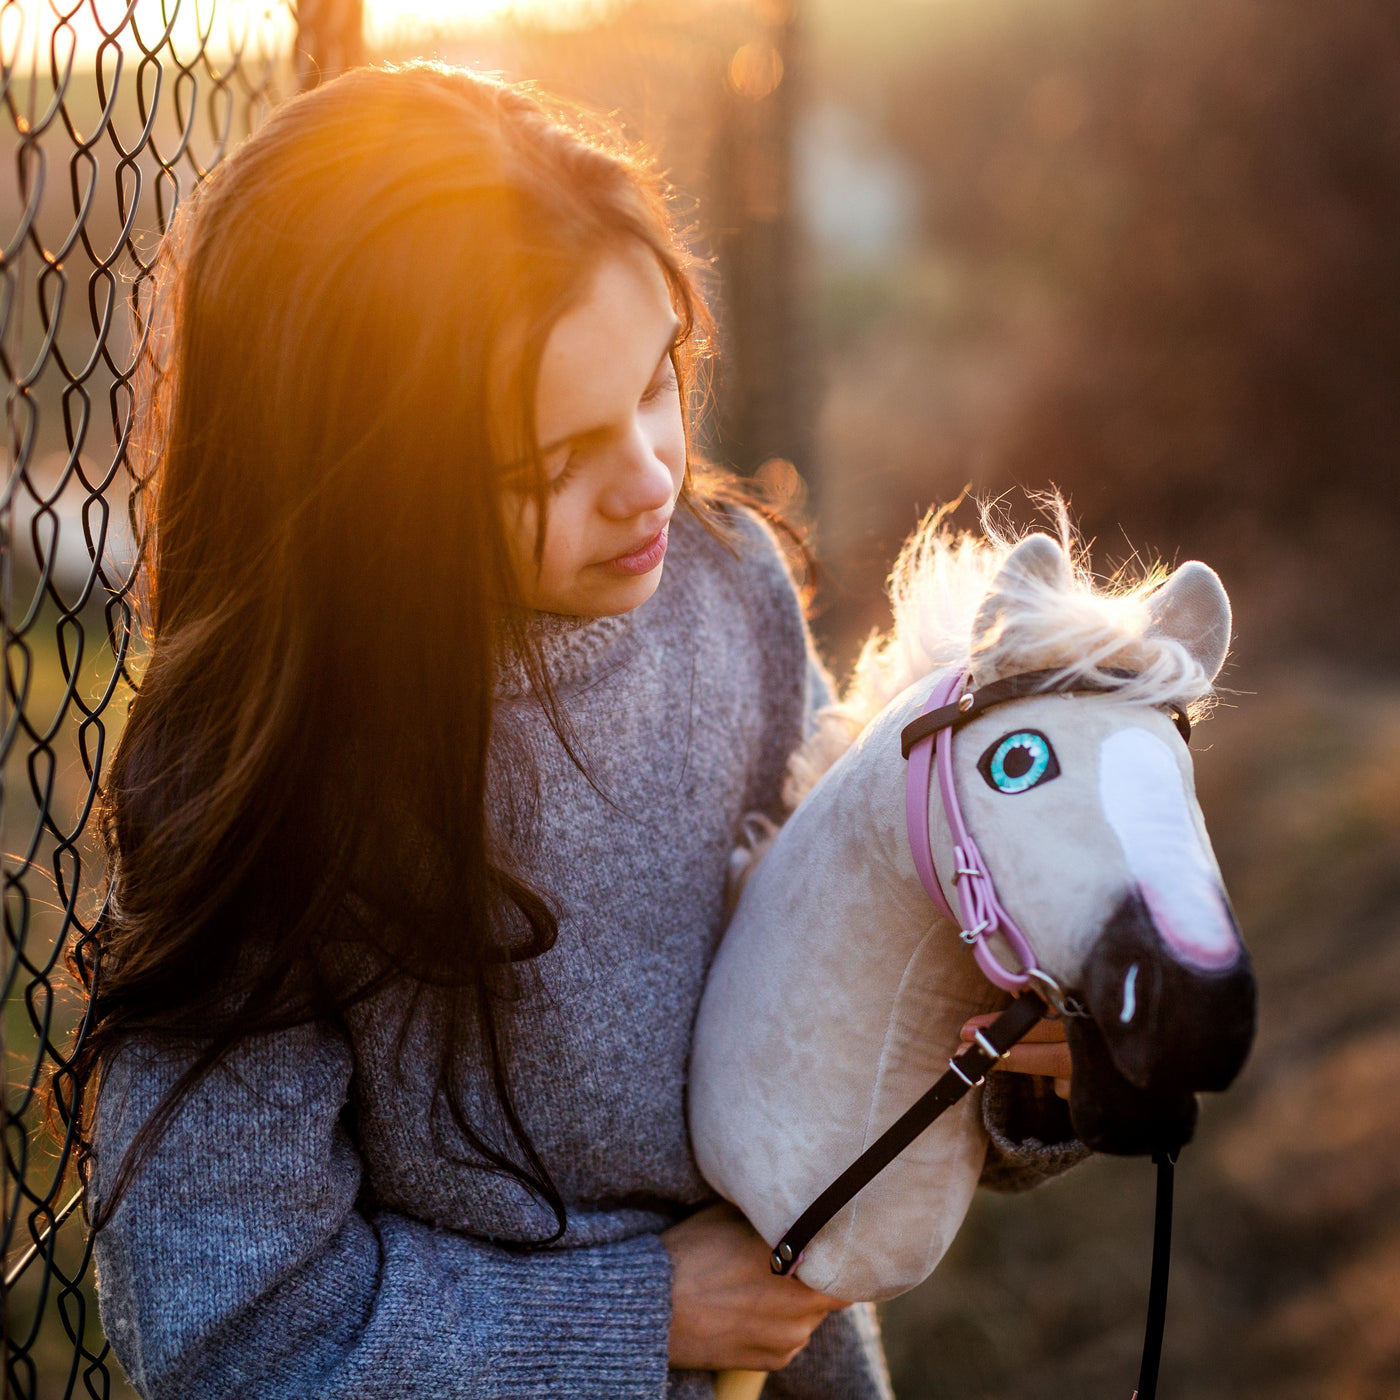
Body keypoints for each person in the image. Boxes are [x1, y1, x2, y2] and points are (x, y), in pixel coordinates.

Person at [76, 63, 1079, 1400]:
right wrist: (642, 1314)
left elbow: (819, 1010)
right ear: (362, 486)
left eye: (658, 379)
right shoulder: (272, 781)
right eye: (543, 466)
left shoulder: (730, 593)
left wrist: (1001, 1074)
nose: (654, 477)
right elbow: (231, 1331)